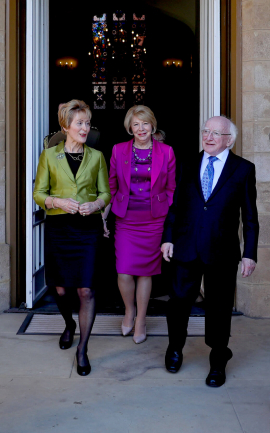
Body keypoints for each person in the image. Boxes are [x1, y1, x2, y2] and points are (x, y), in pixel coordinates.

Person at [160, 116, 259, 387]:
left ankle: (218, 360)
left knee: (219, 307)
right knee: (179, 301)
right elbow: (175, 207)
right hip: (185, 245)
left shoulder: (243, 169)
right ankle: (174, 348)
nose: (209, 137)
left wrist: (249, 253)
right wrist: (168, 238)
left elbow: (250, 217)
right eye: (206, 131)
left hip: (222, 250)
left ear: (230, 140)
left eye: (216, 133)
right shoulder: (188, 163)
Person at [33, 99, 111, 376]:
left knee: (86, 289)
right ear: (65, 125)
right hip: (60, 229)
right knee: (61, 289)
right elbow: (38, 194)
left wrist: (96, 206)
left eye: (88, 123)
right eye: (79, 123)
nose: (85, 128)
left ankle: (82, 349)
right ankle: (69, 324)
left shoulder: (97, 156)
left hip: (87, 229)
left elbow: (106, 193)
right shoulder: (49, 156)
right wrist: (57, 202)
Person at [108, 105, 176, 344]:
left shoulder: (166, 152)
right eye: (136, 124)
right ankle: (129, 310)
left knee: (146, 272)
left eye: (145, 123)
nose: (141, 128)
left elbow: (171, 188)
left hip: (154, 221)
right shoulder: (118, 150)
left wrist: (167, 216)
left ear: (152, 125)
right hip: (126, 220)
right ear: (129, 127)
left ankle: (141, 320)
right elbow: (112, 187)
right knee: (124, 271)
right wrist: (103, 217)